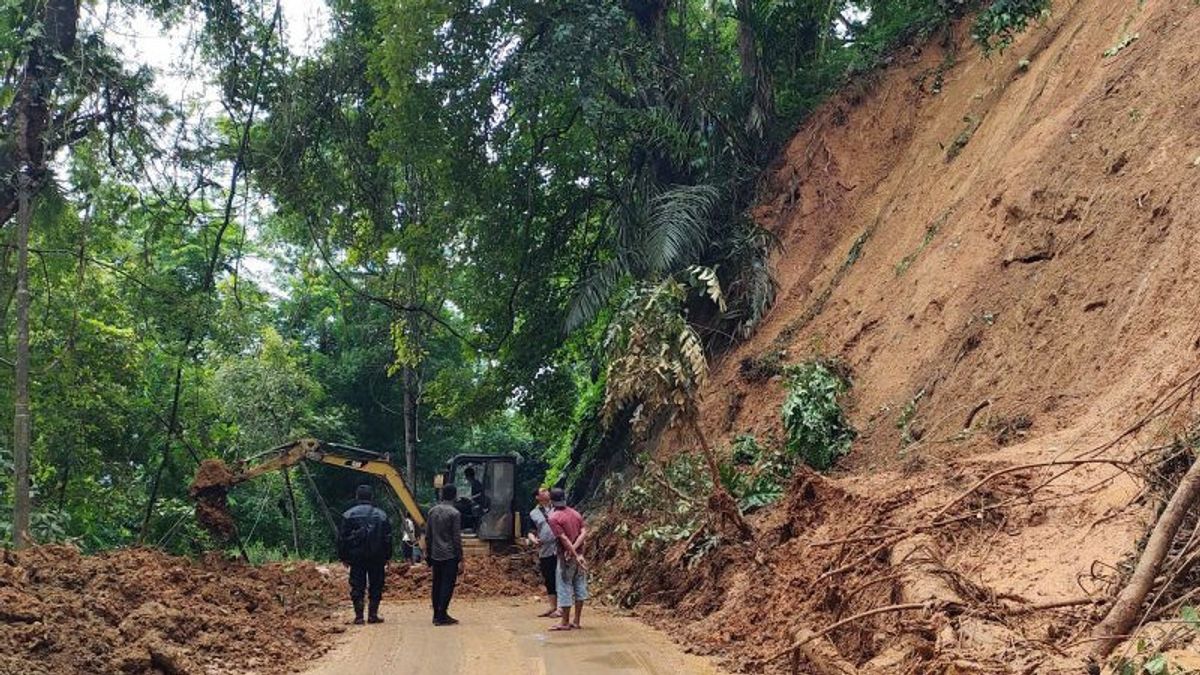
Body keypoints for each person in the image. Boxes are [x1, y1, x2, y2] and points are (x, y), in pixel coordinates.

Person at [337, 484, 393, 625]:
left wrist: (343, 557)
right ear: (372, 497)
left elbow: (342, 538)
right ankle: (373, 615)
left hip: (357, 557)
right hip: (377, 556)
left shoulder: (348, 515)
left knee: (357, 585)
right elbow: (387, 538)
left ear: (357, 497)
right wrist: (388, 556)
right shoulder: (381, 515)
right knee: (376, 585)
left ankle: (359, 616)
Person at [546, 487, 588, 631]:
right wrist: (577, 552)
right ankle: (576, 620)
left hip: (566, 558)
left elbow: (563, 538)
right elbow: (584, 532)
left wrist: (572, 553)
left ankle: (564, 622)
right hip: (580, 556)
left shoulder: (553, 518)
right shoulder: (576, 514)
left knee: (564, 587)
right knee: (579, 587)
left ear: (551, 501)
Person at [425, 483, 464, 626]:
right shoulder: (454, 513)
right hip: (449, 555)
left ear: (442, 495)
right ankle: (442, 614)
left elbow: (428, 535)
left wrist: (428, 553)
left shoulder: (432, 511)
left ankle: (436, 614)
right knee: (447, 585)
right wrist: (460, 557)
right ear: (455, 495)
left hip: (435, 554)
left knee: (436, 584)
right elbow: (456, 538)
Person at [526, 487, 559, 618]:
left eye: (547, 491)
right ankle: (553, 607)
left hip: (559, 548)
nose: (547, 493)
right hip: (545, 549)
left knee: (561, 577)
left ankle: (562, 607)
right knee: (549, 577)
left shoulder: (558, 508)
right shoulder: (533, 513)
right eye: (543, 491)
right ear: (537, 497)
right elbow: (530, 531)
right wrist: (534, 540)